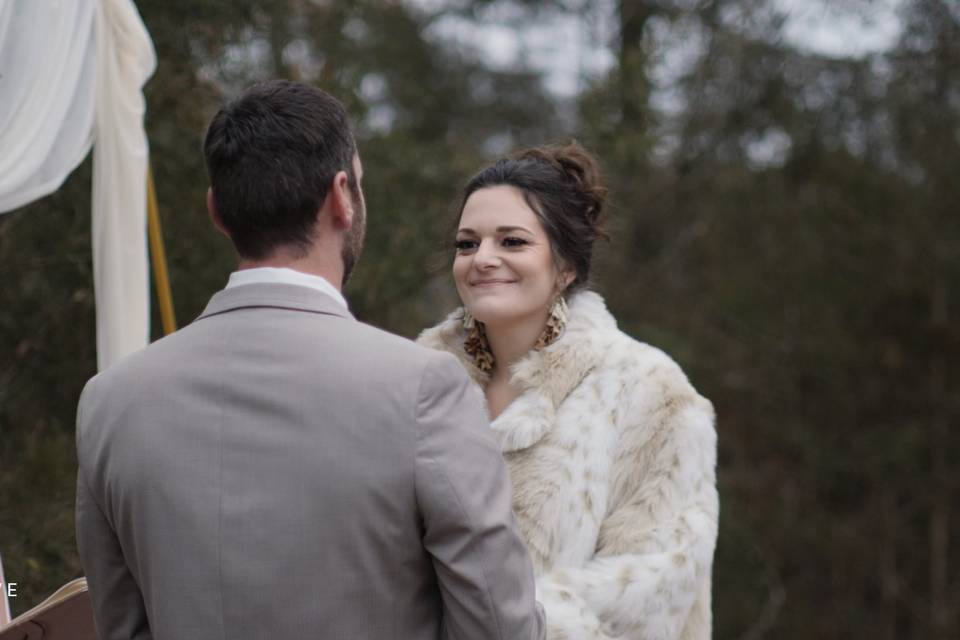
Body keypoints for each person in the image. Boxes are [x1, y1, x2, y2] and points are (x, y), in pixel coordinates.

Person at [75, 80, 545, 640]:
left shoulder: (109, 400)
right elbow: (498, 626)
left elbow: (119, 624)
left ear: (217, 212)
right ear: (342, 195)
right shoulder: (422, 387)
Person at [418, 143, 719, 639]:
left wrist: (498, 622)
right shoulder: (416, 379)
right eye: (467, 244)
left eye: (512, 242)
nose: (483, 259)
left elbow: (655, 592)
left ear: (566, 267)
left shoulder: (650, 392)